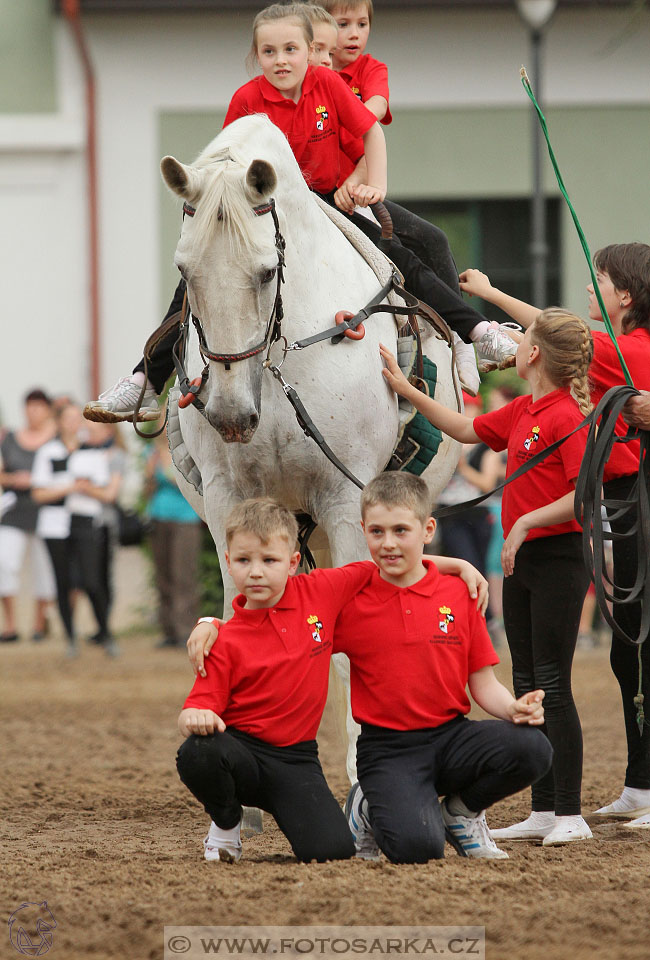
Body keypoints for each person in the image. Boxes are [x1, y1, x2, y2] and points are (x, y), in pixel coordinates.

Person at [83, 2, 515, 425]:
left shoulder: (327, 85)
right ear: (257, 57)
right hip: (262, 213)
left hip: (323, 204)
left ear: (310, 50)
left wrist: (374, 184)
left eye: (291, 49)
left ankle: (477, 335)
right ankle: (142, 383)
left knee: (399, 261)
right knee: (195, 281)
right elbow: (223, 165)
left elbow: (369, 130)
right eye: (269, 52)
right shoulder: (247, 99)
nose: (280, 60)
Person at [380, 308, 595, 846]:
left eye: (523, 338)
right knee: (526, 679)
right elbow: (463, 428)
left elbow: (582, 496)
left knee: (552, 683)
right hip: (526, 559)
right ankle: (544, 809)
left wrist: (522, 522)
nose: (514, 343)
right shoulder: (526, 407)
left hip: (559, 557)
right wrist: (407, 388)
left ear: (535, 355)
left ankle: (569, 811)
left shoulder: (567, 415)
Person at [181, 494, 490, 863]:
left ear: (293, 562)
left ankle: (345, 810)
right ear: (228, 563)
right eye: (244, 561)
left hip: (296, 761)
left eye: (269, 560)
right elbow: (195, 707)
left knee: (333, 852)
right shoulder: (223, 638)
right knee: (198, 752)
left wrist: (456, 564)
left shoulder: (321, 590)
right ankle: (226, 823)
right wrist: (206, 633)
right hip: (241, 753)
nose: (257, 571)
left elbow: (388, 564)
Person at [459, 244, 650, 828]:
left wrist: (489, 297)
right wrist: (491, 295)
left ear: (627, 297)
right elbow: (548, 329)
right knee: (628, 652)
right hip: (619, 501)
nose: (591, 290)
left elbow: (550, 331)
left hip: (630, 499)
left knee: (637, 648)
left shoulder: (627, 351)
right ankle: (640, 784)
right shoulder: (615, 350)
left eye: (601, 281)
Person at [335, 472, 552, 862]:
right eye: (377, 532)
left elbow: (482, 683)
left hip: (451, 737)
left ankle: (461, 814)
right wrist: (212, 625)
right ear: (363, 531)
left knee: (533, 747)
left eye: (401, 530)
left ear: (427, 529)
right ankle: (365, 805)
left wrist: (513, 708)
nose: (388, 543)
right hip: (388, 749)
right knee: (418, 848)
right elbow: (284, 605)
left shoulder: (459, 592)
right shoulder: (351, 597)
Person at [323, 0, 462, 295]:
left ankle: (457, 333)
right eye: (343, 24)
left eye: (362, 24)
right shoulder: (310, 77)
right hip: (318, 191)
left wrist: (351, 184)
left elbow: (377, 106)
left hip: (355, 194)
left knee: (433, 239)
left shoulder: (371, 68)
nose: (354, 34)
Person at [31, 402, 117, 657]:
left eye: (75, 418)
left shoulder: (93, 451)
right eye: (66, 418)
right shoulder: (48, 452)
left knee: (92, 580)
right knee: (62, 581)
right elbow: (38, 493)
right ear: (58, 422)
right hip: (54, 525)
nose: (72, 423)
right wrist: (69, 488)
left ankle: (105, 631)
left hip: (85, 522)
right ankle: (70, 637)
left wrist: (85, 489)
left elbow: (103, 491)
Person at [0, 389, 56, 642]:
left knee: (44, 567)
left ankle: (38, 624)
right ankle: (10, 625)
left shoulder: (55, 439)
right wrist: (14, 479)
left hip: (46, 510)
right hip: (15, 508)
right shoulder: (10, 439)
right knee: (5, 562)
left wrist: (35, 480)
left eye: (38, 407)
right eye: (29, 407)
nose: (33, 412)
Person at [144, 431, 202, 649]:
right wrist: (149, 474)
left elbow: (190, 483)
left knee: (183, 575)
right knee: (163, 575)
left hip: (185, 518)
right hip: (159, 516)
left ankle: (185, 629)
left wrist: (168, 471)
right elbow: (149, 488)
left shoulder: (189, 451)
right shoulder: (152, 452)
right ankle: (167, 628)